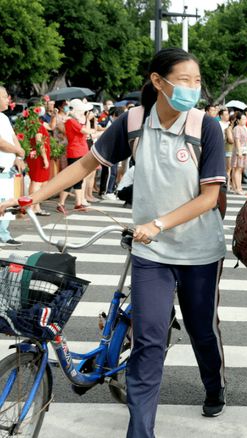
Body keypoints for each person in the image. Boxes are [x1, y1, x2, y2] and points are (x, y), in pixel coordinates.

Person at [1, 48, 228, 438]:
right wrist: (32, 197)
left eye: (197, 80)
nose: (194, 88)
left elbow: (209, 197)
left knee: (201, 328)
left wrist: (158, 223)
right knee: (149, 339)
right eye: (185, 80)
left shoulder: (205, 127)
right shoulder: (133, 122)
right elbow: (85, 165)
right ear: (158, 81)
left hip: (198, 250)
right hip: (150, 252)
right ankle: (140, 432)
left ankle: (215, 385)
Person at [56, 99, 96, 212]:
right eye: (82, 111)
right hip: (75, 151)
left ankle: (78, 203)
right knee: (72, 178)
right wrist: (92, 129)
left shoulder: (74, 120)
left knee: (79, 179)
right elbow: (86, 131)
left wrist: (87, 120)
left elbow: (85, 129)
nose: (83, 113)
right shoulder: (71, 121)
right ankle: (61, 203)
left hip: (80, 151)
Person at [0, 86, 25, 246]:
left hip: (8, 168)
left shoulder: (3, 118)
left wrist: (18, 155)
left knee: (6, 203)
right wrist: (18, 150)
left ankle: (4, 234)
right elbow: (1, 143)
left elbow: (12, 137)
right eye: (4, 96)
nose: (7, 99)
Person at [26, 123, 51, 216]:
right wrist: (44, 158)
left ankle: (36, 207)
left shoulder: (30, 124)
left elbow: (51, 126)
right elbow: (39, 142)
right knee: (37, 182)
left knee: (38, 182)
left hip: (34, 155)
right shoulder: (36, 125)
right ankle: (32, 207)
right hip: (38, 156)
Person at [231, 111, 247, 194]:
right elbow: (237, 140)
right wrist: (239, 152)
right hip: (239, 151)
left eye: (245, 119)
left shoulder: (244, 127)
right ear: (238, 120)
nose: (244, 120)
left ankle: (237, 187)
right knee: (237, 169)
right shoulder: (237, 128)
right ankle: (238, 188)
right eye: (242, 119)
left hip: (244, 150)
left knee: (240, 169)